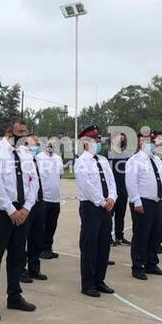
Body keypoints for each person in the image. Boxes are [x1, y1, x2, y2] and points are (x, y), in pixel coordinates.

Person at [0, 117, 38, 321]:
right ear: (8, 131)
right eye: (19, 132)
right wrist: (11, 210)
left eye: (24, 132)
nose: (23, 136)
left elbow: (33, 181)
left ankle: (14, 296)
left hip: (22, 211)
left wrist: (26, 208)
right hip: (1, 212)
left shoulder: (25, 153)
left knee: (17, 256)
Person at [74, 125, 117, 297]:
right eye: (93, 140)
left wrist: (112, 197)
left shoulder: (103, 160)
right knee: (89, 246)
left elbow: (111, 181)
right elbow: (87, 186)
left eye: (98, 139)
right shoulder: (81, 162)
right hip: (91, 207)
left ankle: (100, 280)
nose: (97, 142)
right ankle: (88, 283)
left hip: (106, 206)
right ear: (85, 142)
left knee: (103, 244)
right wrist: (101, 201)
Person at [125, 131, 162, 280]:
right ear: (140, 143)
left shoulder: (157, 160)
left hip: (157, 202)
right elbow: (131, 183)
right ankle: (138, 266)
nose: (152, 144)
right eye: (148, 142)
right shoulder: (134, 160)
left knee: (155, 234)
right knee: (141, 235)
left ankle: (152, 264)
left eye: (153, 141)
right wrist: (136, 201)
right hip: (143, 202)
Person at [22, 134, 48, 282]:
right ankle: (20, 270)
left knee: (37, 238)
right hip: (26, 204)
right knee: (22, 239)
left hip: (39, 203)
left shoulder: (36, 160)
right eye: (35, 143)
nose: (38, 146)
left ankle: (34, 268)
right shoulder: (21, 160)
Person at [37, 142, 64, 259]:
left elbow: (60, 175)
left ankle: (48, 247)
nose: (51, 147)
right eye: (49, 144)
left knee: (52, 225)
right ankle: (40, 249)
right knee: (42, 226)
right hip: (44, 197)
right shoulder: (39, 158)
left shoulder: (58, 159)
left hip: (55, 198)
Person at [109, 133, 131, 246]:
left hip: (123, 190)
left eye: (122, 139)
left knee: (120, 215)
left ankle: (120, 236)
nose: (120, 141)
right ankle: (108, 237)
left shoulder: (127, 156)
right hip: (112, 191)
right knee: (109, 215)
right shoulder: (108, 155)